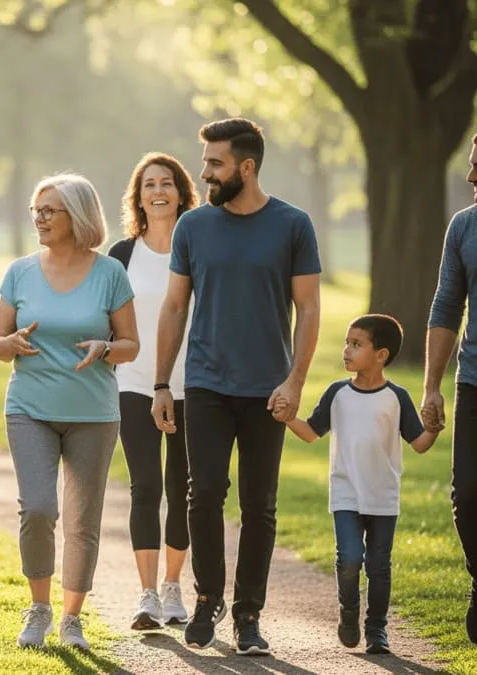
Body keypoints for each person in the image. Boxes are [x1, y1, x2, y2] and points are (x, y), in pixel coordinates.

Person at [152, 118, 321, 655]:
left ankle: (248, 614)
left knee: (259, 505)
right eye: (205, 163)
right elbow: (175, 306)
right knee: (202, 495)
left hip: (268, 389)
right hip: (204, 383)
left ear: (246, 167)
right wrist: (161, 383)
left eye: (215, 164)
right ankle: (207, 599)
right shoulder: (193, 227)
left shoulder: (293, 225)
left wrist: (295, 382)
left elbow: (309, 308)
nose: (204, 173)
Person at [0, 173, 140, 650]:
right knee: (37, 508)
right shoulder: (20, 272)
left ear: (76, 215)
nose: (39, 218)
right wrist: (9, 343)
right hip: (29, 407)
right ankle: (38, 608)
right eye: (36, 209)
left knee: (83, 519)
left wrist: (106, 347)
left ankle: (72, 618)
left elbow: (131, 345)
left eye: (49, 210)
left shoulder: (110, 273)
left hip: (93, 414)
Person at [280, 314, 436, 655]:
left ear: (381, 354)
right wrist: (288, 417)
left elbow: (420, 443)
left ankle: (377, 630)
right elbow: (310, 433)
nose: (346, 350)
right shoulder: (337, 393)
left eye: (356, 344)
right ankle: (348, 611)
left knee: (379, 566)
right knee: (349, 559)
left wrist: (434, 427)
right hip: (346, 493)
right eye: (346, 343)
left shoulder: (397, 397)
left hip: (383, 496)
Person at [108, 152, 198, 630]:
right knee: (146, 486)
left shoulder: (199, 249)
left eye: (167, 182)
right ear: (138, 197)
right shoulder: (122, 255)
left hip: (191, 387)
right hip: (133, 385)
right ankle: (145, 595)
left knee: (186, 489)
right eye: (149, 185)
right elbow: (106, 320)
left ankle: (173, 587)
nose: (158, 191)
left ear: (182, 192)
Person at [423, 132, 477, 645]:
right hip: (474, 379)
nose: (471, 175)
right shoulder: (464, 226)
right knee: (467, 495)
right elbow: (445, 307)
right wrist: (432, 387)